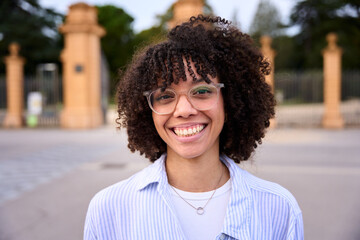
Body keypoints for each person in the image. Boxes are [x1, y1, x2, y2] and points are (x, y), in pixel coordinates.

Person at [84, 15, 303, 240]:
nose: (183, 110)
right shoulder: (108, 209)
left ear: (229, 101)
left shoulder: (279, 209)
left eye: (201, 91)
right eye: (165, 96)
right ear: (147, 111)